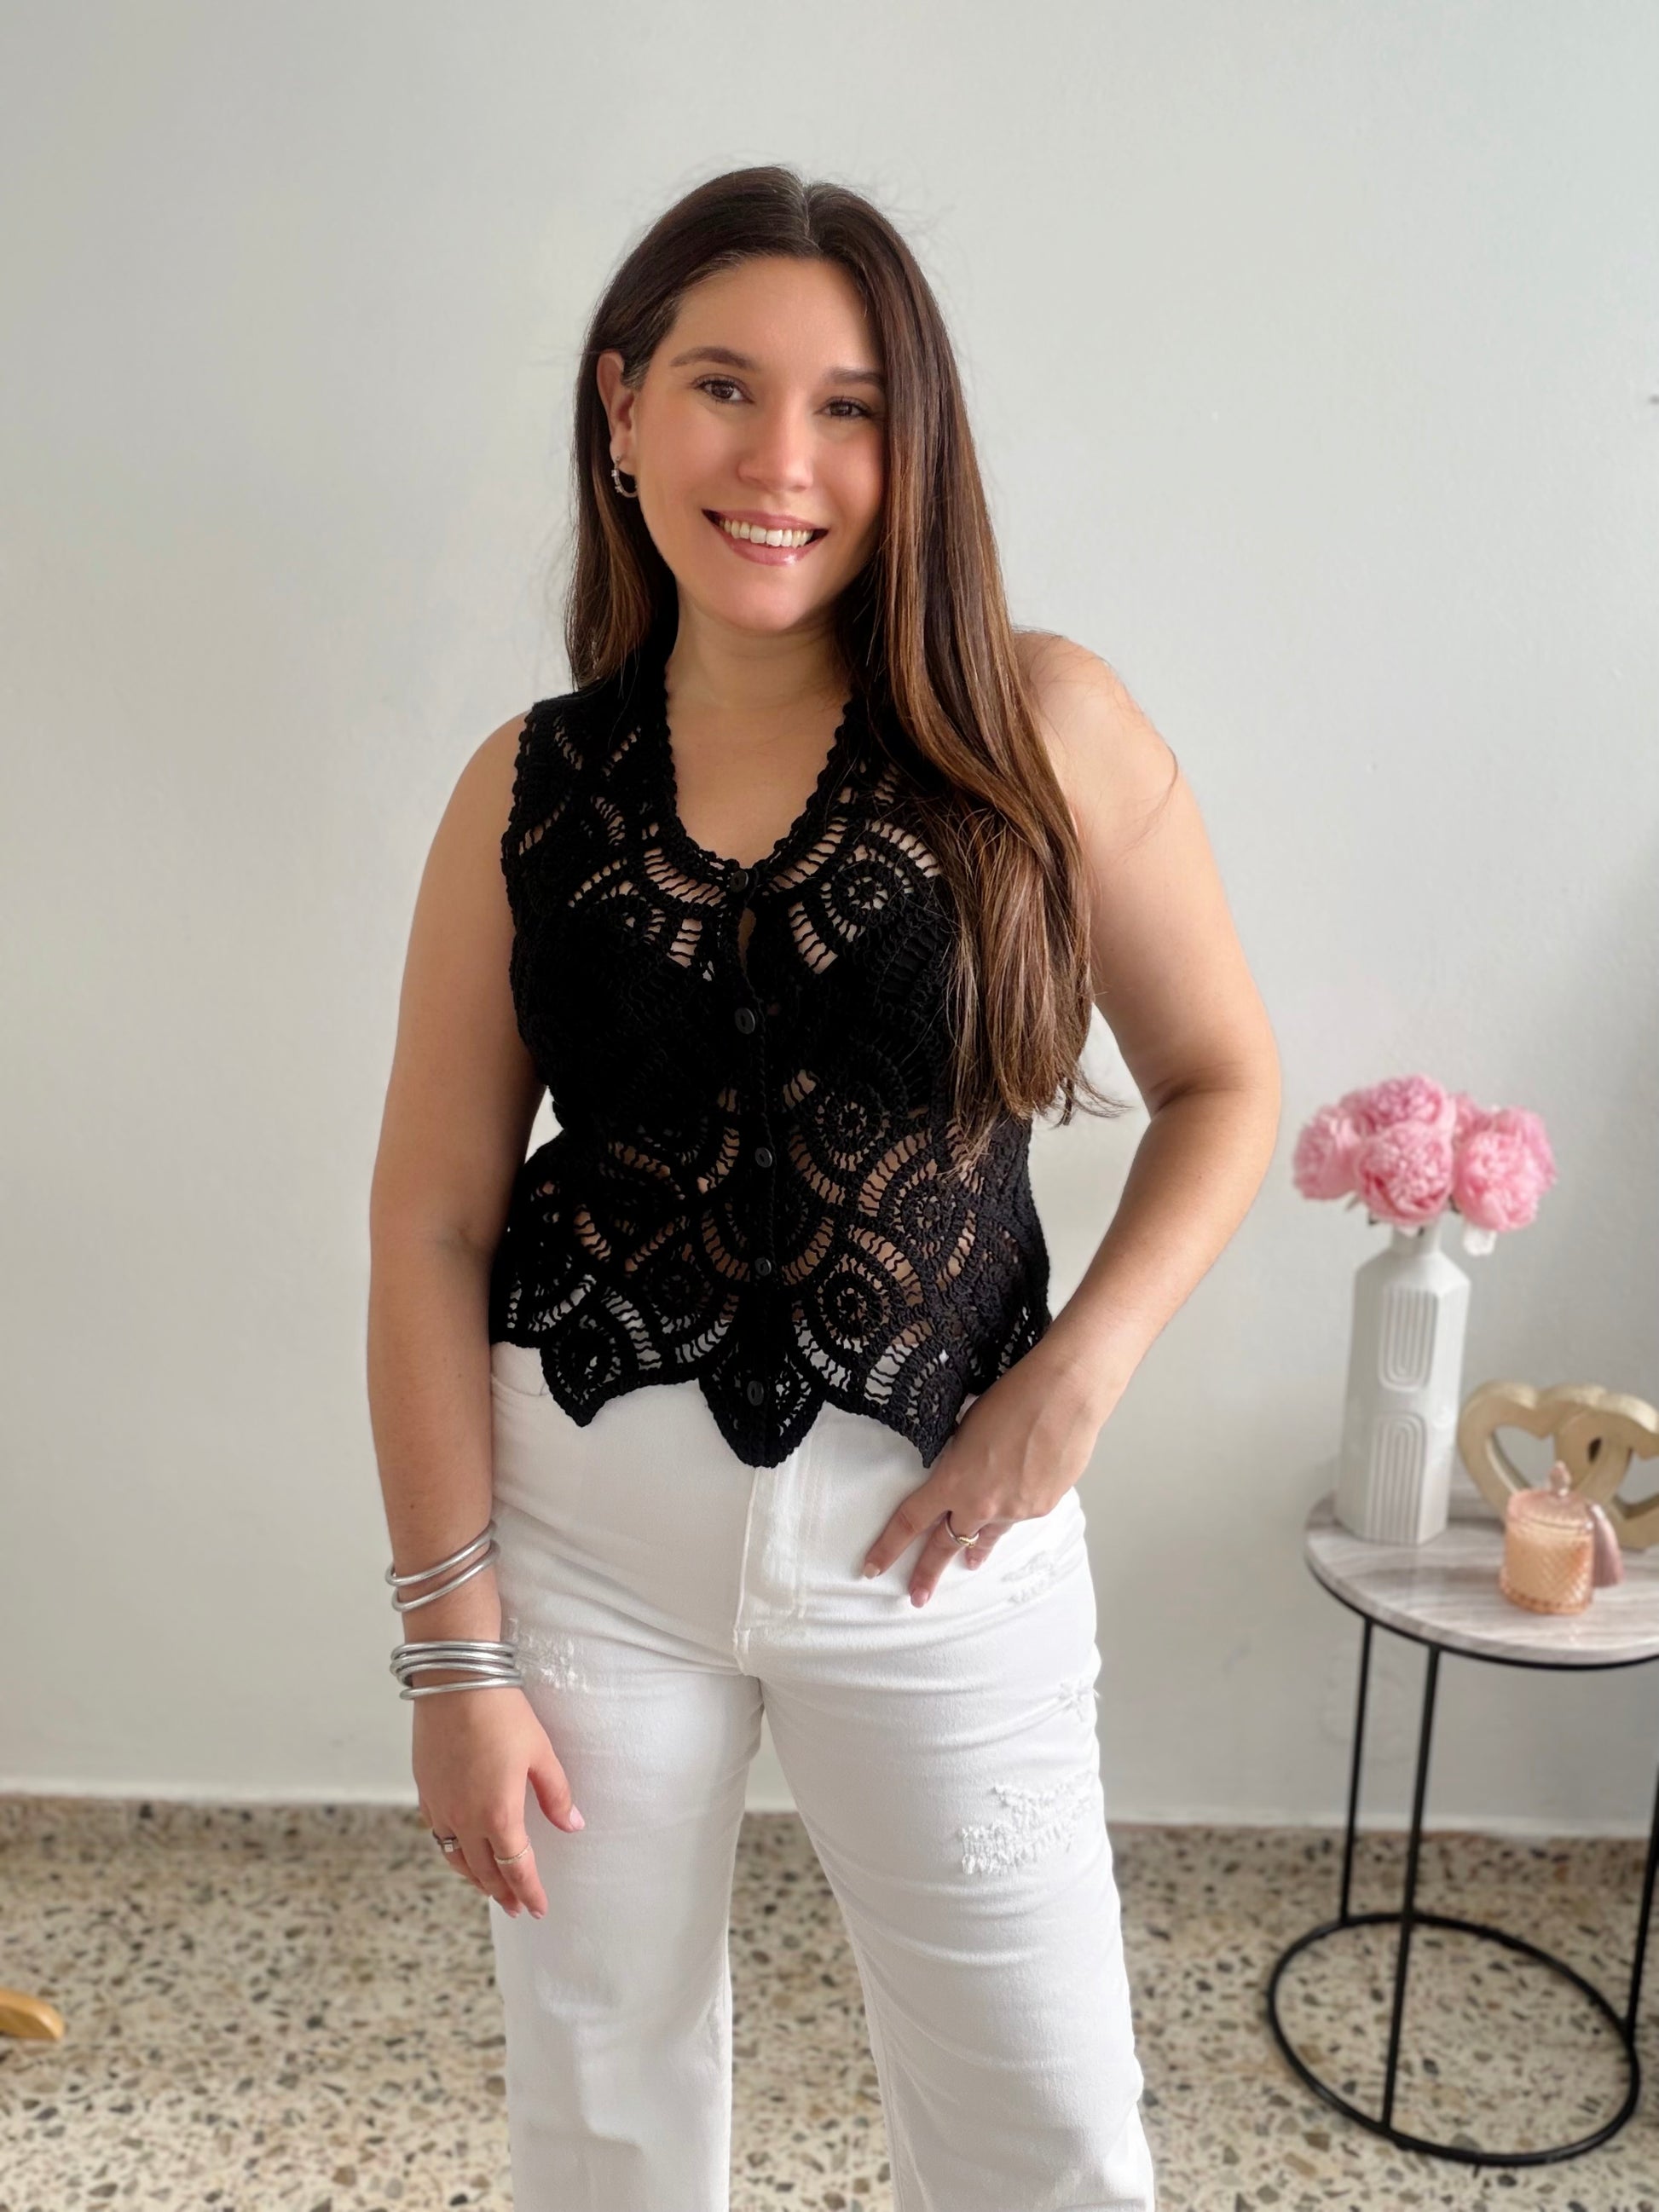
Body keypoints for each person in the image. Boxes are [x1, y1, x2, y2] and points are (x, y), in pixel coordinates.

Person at [367, 165, 1280, 2212]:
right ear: (618, 409)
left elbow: (1226, 1081)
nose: (783, 460)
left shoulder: (1039, 726)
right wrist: (455, 1654)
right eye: (721, 386)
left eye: (852, 406)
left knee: (1041, 2125)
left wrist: (1076, 1375)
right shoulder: (525, 787)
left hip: (944, 1547)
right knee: (597, 2116)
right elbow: (428, 1215)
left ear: (913, 444)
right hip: (580, 1548)